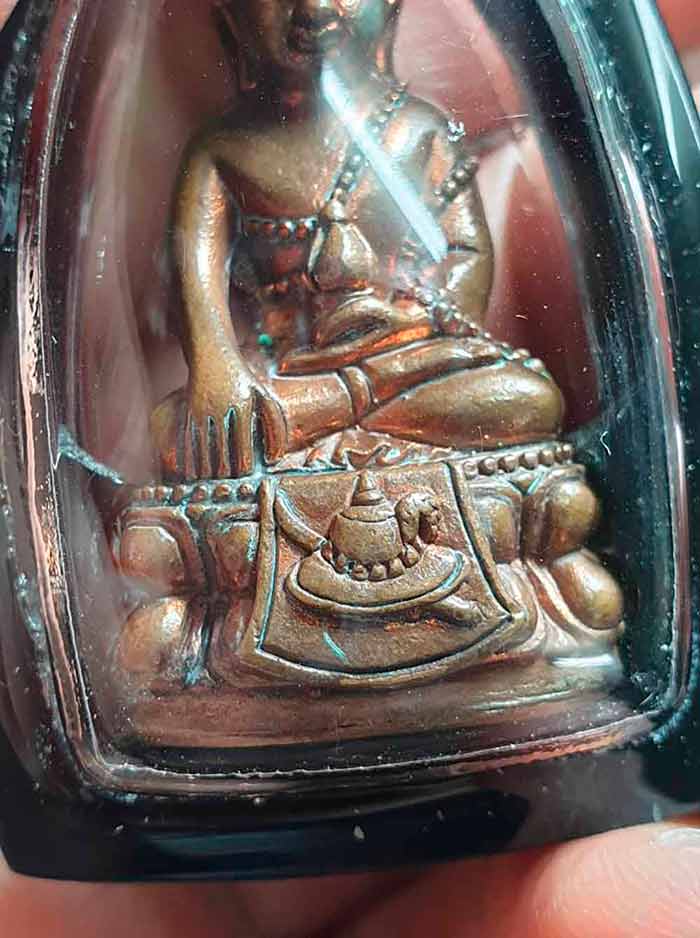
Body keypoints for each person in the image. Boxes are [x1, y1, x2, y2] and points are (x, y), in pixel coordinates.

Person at [1, 1, 699, 935]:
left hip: (415, 363)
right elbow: (198, 291)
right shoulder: (223, 151)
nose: (313, 10)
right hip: (281, 380)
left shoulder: (419, 130)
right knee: (179, 435)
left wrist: (408, 321)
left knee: (520, 398)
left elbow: (466, 259)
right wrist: (222, 374)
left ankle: (328, 423)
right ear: (230, 18)